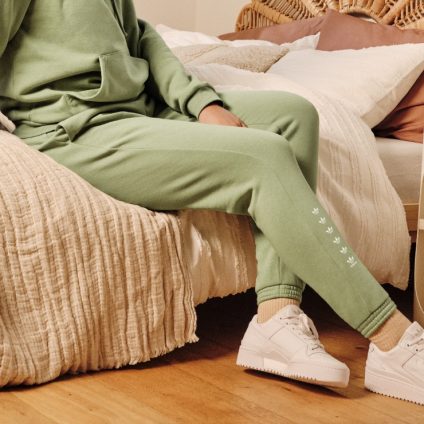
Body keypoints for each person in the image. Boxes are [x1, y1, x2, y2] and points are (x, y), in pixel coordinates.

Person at [1, 0, 423, 405]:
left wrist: (204, 104)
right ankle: (393, 341)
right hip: (78, 127)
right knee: (265, 157)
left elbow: (139, 37)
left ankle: (277, 316)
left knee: (296, 115)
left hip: (138, 106)